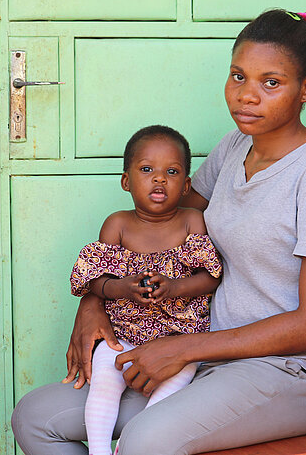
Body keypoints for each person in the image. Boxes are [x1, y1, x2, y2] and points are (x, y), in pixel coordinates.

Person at [11, 8, 306, 455]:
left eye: (270, 83)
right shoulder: (236, 147)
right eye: (238, 77)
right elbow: (162, 226)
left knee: (145, 441)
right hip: (209, 360)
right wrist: (95, 299)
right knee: (36, 418)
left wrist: (185, 348)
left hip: (291, 373)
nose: (247, 96)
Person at [69, 125, 222, 455]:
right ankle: (98, 450)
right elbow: (95, 279)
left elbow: (210, 276)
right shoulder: (117, 224)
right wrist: (122, 287)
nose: (159, 179)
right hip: (123, 333)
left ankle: (131, 442)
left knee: (179, 380)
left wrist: (175, 287)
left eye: (172, 171)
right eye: (147, 169)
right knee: (105, 378)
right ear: (126, 181)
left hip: (179, 337)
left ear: (186, 185)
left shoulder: (192, 221)